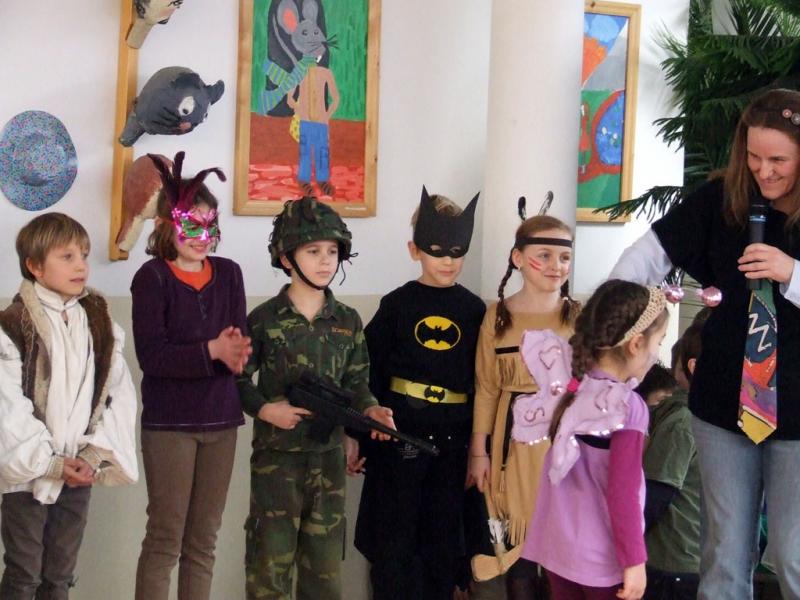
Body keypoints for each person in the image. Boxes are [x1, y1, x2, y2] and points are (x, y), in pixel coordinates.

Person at [610, 88, 800, 599]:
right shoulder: (722, 199)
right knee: (722, 556)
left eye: (779, 160)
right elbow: (650, 252)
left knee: (793, 554)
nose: (764, 171)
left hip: (799, 412)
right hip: (721, 405)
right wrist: (612, 313)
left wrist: (792, 273)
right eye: (754, 157)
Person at [236, 196, 395, 600]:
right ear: (286, 258)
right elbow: (235, 379)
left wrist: (371, 411)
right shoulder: (264, 320)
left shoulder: (348, 320)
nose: (325, 261)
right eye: (313, 251)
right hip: (276, 461)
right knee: (269, 570)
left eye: (332, 252)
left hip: (328, 461)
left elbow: (357, 382)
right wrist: (266, 409)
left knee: (324, 575)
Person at [353, 186, 486, 600]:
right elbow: (367, 373)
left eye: (457, 252)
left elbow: (485, 384)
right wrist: (358, 436)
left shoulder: (475, 311)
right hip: (399, 441)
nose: (448, 260)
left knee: (442, 550)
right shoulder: (396, 306)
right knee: (394, 551)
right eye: (436, 251)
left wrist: (479, 450)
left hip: (452, 446)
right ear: (415, 250)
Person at [131, 152, 251, 600]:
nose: (202, 237)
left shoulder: (230, 274)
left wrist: (237, 353)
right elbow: (153, 356)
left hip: (221, 422)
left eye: (209, 225)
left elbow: (238, 340)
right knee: (166, 538)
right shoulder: (152, 278)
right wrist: (212, 351)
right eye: (191, 225)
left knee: (203, 541)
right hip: (171, 426)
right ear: (166, 225)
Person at [0, 212, 139, 598]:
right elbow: (7, 406)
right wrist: (49, 463)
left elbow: (117, 393)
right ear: (35, 266)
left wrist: (93, 455)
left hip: (78, 472)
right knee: (24, 574)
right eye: (67, 256)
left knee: (60, 575)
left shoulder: (99, 325)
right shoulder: (12, 325)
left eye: (84, 255)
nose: (81, 265)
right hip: (27, 477)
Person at [514, 280, 669, 600]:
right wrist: (634, 560)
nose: (657, 353)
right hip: (601, 560)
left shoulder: (571, 386)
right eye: (659, 342)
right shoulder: (626, 405)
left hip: (558, 550)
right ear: (636, 344)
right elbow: (623, 491)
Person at [468, 213, 579, 599]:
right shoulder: (496, 317)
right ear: (518, 258)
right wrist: (478, 453)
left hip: (563, 447)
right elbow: (486, 388)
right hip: (511, 450)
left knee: (561, 558)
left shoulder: (579, 317)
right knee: (518, 555)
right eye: (543, 255)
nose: (555, 266)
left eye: (564, 257)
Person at [642, 320, 703, 600]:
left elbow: (655, 495)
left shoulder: (682, 420)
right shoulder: (698, 419)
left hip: (672, 558)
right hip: (688, 555)